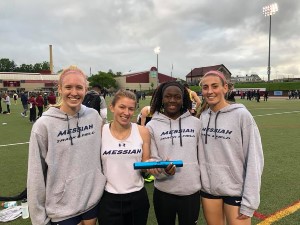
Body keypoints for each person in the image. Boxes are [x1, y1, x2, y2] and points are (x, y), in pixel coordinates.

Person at [27, 65, 106, 225]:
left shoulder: (94, 117)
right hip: (61, 209)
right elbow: (35, 175)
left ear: (86, 89)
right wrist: (38, 220)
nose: (74, 92)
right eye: (68, 87)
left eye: (79, 87)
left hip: (92, 202)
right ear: (60, 89)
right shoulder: (44, 125)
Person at [198, 70, 264, 225]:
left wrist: (250, 200)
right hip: (209, 190)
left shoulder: (241, 115)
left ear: (225, 88)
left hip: (236, 190)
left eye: (215, 86)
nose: (210, 91)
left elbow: (254, 158)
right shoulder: (203, 117)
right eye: (205, 87)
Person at [146, 81, 202, 225]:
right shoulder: (152, 125)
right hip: (164, 192)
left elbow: (202, 156)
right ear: (161, 99)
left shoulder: (195, 123)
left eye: (177, 97)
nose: (172, 100)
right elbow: (152, 158)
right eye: (168, 96)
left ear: (183, 99)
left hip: (191, 191)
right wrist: (162, 170)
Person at [98, 89, 151, 225]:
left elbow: (145, 165)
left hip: (137, 197)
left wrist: (153, 166)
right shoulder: (101, 131)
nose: (126, 113)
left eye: (131, 109)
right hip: (108, 199)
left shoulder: (142, 131)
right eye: (122, 107)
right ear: (112, 107)